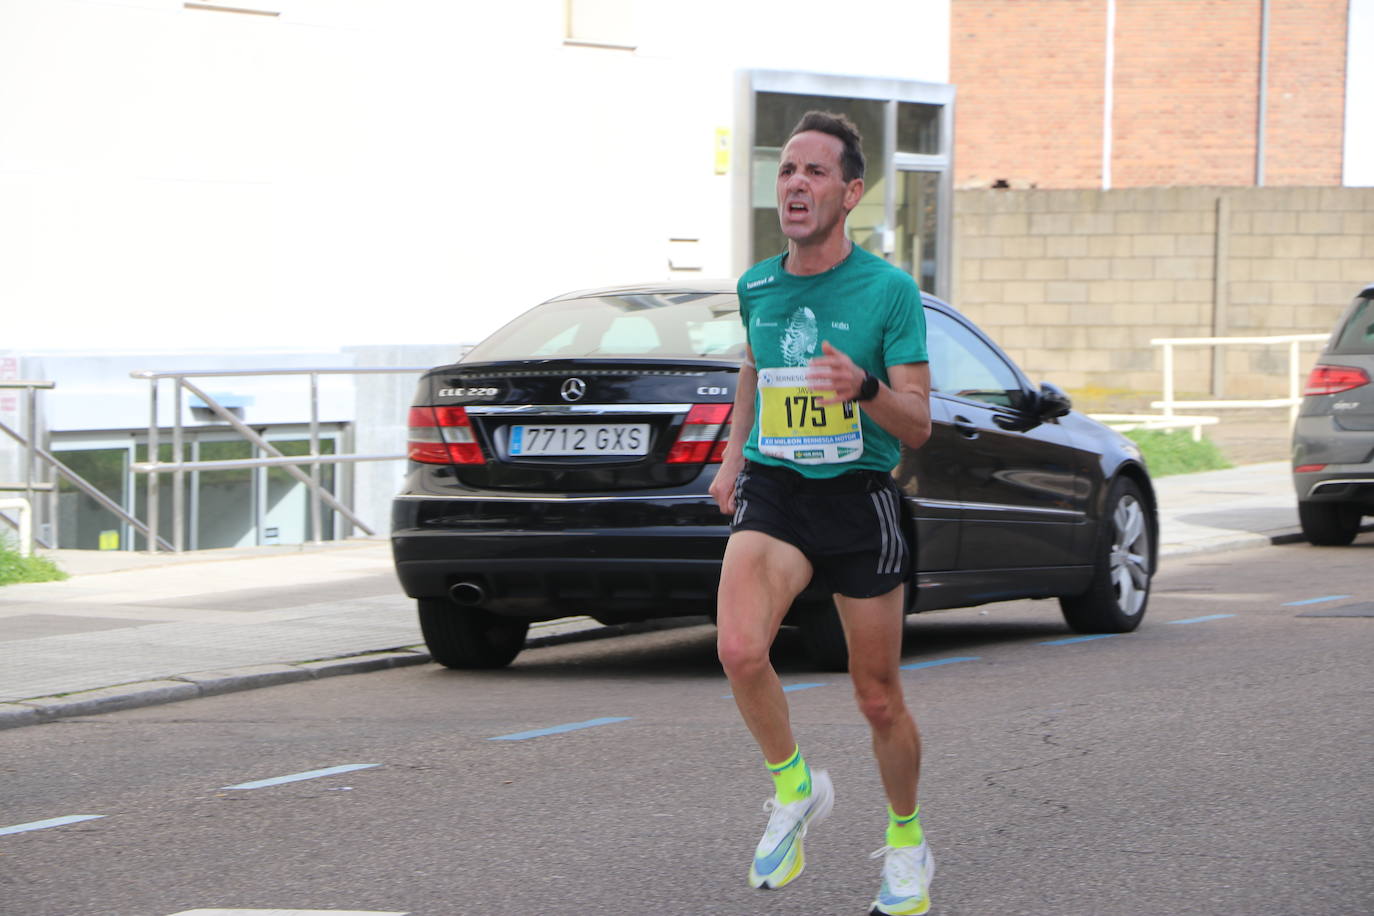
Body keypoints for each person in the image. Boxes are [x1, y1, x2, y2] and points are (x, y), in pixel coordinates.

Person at [709, 111, 935, 916]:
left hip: (858, 499)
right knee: (739, 649)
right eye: (786, 171)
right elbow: (752, 367)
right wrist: (734, 459)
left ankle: (907, 843)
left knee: (876, 698)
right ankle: (796, 786)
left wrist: (864, 389)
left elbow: (919, 421)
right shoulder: (757, 285)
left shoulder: (888, 291)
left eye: (813, 173)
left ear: (851, 192)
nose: (796, 185)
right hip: (777, 489)